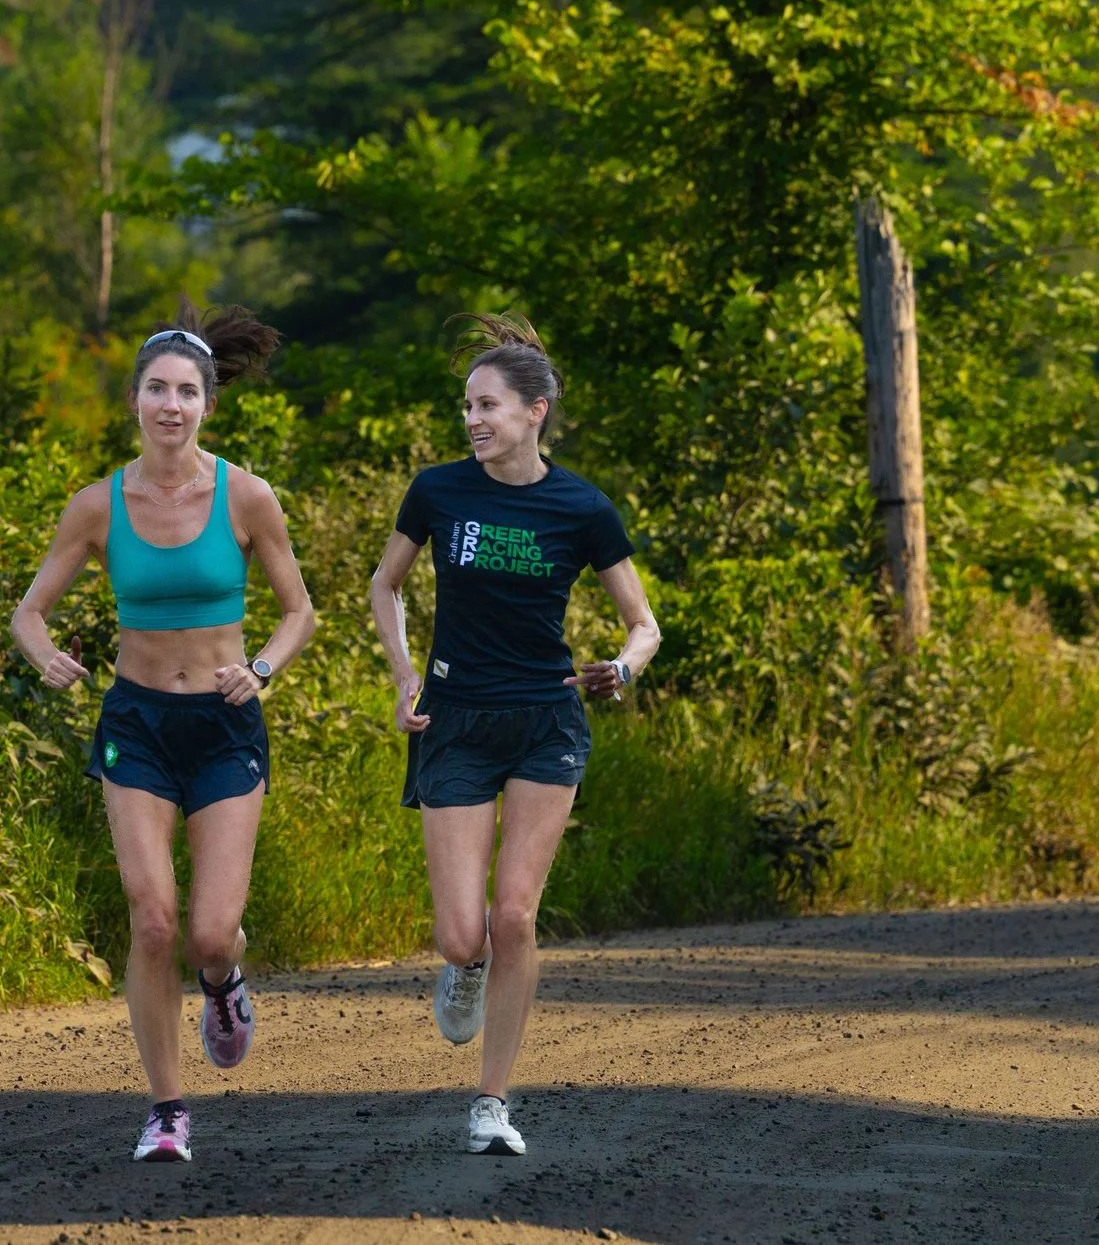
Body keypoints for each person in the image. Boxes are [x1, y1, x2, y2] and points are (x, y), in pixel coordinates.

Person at [9, 299, 316, 1164]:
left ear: (207, 403)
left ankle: (223, 982)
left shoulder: (248, 496)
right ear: (135, 400)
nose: (170, 404)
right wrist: (44, 658)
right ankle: (167, 1108)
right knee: (152, 921)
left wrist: (259, 668)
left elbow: (300, 611)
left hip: (224, 726)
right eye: (155, 388)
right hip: (136, 724)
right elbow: (29, 612)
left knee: (210, 932)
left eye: (186, 390)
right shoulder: (96, 506)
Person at [367, 312, 659, 1156]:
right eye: (467, 406)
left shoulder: (582, 506)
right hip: (454, 719)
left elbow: (643, 623)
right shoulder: (438, 490)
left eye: (488, 405)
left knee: (516, 914)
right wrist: (403, 674)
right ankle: (461, 967)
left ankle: (492, 1101)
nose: (473, 420)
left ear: (535, 412)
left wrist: (625, 666)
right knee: (465, 933)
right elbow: (386, 585)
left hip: (546, 721)